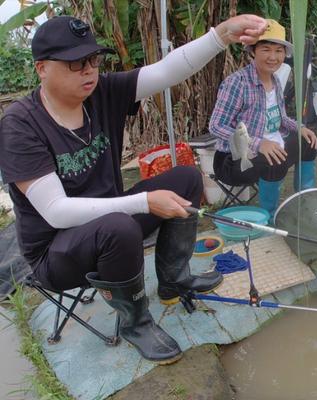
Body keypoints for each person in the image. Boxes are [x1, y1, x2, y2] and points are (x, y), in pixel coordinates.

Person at [0, 14, 268, 364]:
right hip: (56, 253)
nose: (89, 71)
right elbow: (56, 211)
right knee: (120, 224)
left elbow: (166, 71)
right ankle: (136, 322)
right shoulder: (20, 125)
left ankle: (175, 280)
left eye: (93, 60)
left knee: (186, 178)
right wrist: (143, 201)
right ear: (42, 69)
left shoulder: (101, 93)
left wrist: (220, 36)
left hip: (111, 225)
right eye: (75, 63)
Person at [209, 19, 317, 221]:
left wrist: (300, 127)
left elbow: (280, 117)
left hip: (270, 145)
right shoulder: (238, 83)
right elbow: (216, 125)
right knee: (274, 157)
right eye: (266, 49)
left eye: (278, 51)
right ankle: (269, 217)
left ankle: (305, 201)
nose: (273, 57)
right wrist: (258, 143)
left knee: (309, 141)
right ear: (252, 51)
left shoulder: (275, 80)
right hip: (233, 159)